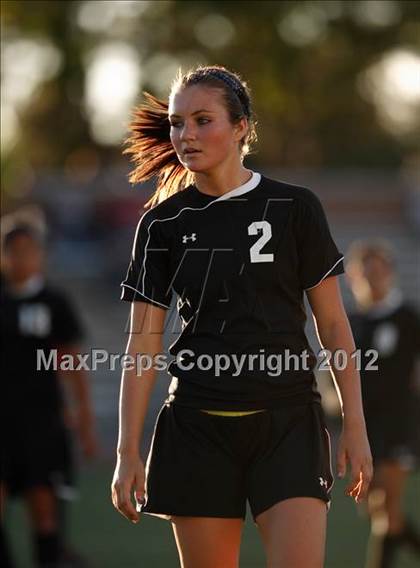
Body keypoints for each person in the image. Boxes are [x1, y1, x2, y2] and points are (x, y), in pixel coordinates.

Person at [111, 64, 373, 568]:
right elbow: (142, 344)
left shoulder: (295, 207)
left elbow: (335, 326)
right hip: (196, 430)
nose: (185, 135)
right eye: (176, 122)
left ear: (241, 128)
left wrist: (355, 425)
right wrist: (126, 452)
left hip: (288, 425)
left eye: (202, 120)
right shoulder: (161, 224)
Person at [0, 213, 97, 568]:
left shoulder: (55, 303)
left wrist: (84, 422)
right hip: (2, 424)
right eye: (13, 250)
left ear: (40, 255)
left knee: (44, 514)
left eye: (29, 250)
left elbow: (73, 364)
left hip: (42, 424)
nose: (21, 258)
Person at [346, 240, 420, 568]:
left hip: (401, 423)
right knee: (377, 512)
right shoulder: (351, 323)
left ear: (389, 273)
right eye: (365, 273)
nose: (372, 279)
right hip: (366, 426)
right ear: (353, 278)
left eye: (377, 271)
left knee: (388, 510)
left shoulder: (407, 317)